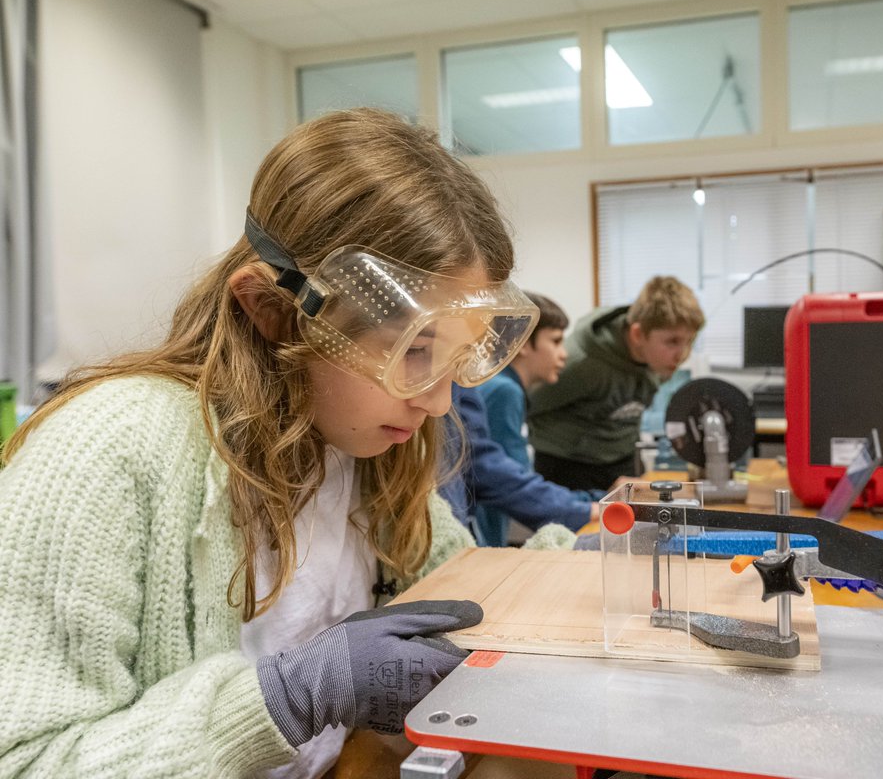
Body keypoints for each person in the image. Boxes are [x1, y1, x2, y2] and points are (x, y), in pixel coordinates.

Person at [0, 109, 568, 778]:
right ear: (271, 310)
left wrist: (580, 569)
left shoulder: (363, 448)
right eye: (415, 351)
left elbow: (463, 593)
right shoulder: (108, 448)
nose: (439, 401)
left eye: (457, 358)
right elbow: (27, 759)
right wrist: (283, 698)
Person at [528, 276, 705, 491]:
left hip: (621, 460)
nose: (682, 354)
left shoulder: (657, 357)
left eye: (689, 341)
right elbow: (526, 404)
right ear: (638, 334)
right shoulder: (580, 363)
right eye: (673, 342)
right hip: (569, 468)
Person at [458, 293, 604, 546]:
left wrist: (586, 501)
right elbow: (503, 479)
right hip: (484, 536)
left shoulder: (501, 386)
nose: (564, 354)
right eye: (556, 341)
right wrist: (586, 506)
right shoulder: (504, 391)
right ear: (522, 341)